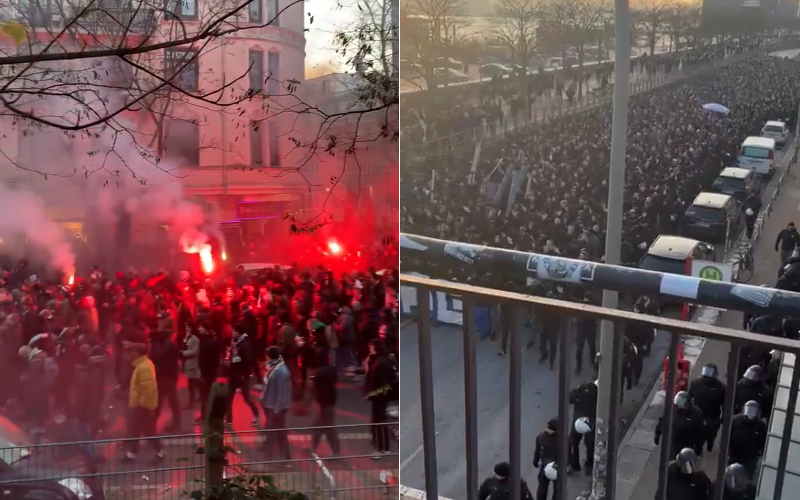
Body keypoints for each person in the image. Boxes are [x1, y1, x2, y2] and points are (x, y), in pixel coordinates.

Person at [124, 343, 163, 462]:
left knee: (148, 431)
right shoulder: (143, 364)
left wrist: (142, 405)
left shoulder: (143, 367)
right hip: (141, 406)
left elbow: (148, 389)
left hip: (143, 407)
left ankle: (159, 452)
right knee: (136, 430)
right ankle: (132, 454)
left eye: (132, 352)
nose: (129, 354)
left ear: (138, 353)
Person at [260, 346, 292, 464]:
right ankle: (280, 455)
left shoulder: (281, 372)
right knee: (276, 432)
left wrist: (277, 411)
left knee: (278, 433)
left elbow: (282, 394)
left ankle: (282, 457)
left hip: (276, 408)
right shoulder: (274, 368)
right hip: (270, 406)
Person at [365, 339, 396, 459]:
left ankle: (382, 448)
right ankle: (380, 445)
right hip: (378, 397)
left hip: (380, 398)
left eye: (371, 347)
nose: (370, 349)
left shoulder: (382, 363)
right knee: (378, 421)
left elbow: (384, 385)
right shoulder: (379, 360)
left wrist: (374, 394)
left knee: (379, 421)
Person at [226, 325, 260, 428]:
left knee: (247, 398)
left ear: (239, 332)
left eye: (234, 331)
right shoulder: (235, 341)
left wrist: (235, 353)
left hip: (242, 375)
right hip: (233, 374)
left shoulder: (245, 345)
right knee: (228, 398)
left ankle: (256, 415)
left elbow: (248, 360)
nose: (232, 333)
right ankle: (229, 420)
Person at [654, 391, 705, 459]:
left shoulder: (696, 414)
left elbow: (699, 434)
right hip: (673, 443)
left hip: (687, 444)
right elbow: (663, 421)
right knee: (671, 462)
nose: (678, 406)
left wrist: (698, 450)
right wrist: (657, 435)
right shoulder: (671, 409)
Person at [688, 363, 726, 452]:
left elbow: (725, 404)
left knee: (711, 433)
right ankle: (697, 450)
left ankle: (710, 442)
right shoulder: (695, 383)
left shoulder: (721, 388)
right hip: (697, 414)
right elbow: (689, 397)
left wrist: (724, 417)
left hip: (712, 415)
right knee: (696, 434)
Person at [310, 347, 340, 456]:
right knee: (319, 426)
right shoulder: (331, 370)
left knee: (327, 427)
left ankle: (336, 451)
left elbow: (316, 389)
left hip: (323, 403)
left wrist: (317, 403)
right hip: (330, 401)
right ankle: (313, 448)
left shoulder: (319, 373)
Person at [150, 329, 181, 432]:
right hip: (166, 377)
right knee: (166, 402)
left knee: (168, 401)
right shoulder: (167, 344)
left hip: (166, 377)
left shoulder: (166, 345)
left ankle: (152, 424)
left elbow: (158, 356)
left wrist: (154, 344)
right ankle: (152, 424)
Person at [728, 401, 767, 478]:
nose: (750, 415)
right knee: (731, 473)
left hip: (750, 458)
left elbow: (763, 441)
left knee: (747, 476)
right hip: (735, 454)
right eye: (749, 410)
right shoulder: (735, 420)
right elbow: (728, 435)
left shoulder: (761, 425)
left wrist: (761, 454)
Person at [569, 379, 597, 474]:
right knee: (590, 444)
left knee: (574, 442)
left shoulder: (578, 392)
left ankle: (574, 464)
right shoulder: (597, 392)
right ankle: (589, 465)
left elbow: (569, 399)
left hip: (577, 421)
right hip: (590, 421)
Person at [532, 418, 559, 500]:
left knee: (542, 486)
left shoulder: (541, 437)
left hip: (545, 464)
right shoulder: (564, 438)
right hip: (557, 465)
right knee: (558, 488)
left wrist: (535, 461)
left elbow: (538, 450)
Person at [181, 324, 201, 408]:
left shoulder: (195, 339)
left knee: (192, 384)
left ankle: (191, 402)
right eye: (186, 327)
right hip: (188, 363)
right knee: (195, 382)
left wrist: (183, 353)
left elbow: (195, 351)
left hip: (192, 364)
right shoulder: (186, 337)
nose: (187, 328)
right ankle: (201, 396)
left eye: (188, 327)